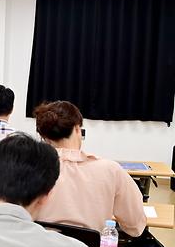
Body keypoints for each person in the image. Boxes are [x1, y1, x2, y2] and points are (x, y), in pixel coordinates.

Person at [34, 100, 146, 237]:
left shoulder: (30, 167)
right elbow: (134, 226)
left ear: (44, 137)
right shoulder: (111, 170)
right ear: (77, 129)